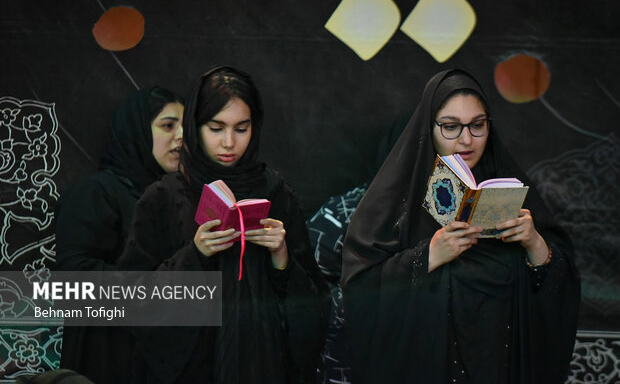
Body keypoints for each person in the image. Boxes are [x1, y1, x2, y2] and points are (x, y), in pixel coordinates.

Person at [341, 69, 580, 384]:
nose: (466, 140)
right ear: (429, 129)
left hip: (501, 367)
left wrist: (535, 245)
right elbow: (360, 290)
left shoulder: (515, 190)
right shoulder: (395, 199)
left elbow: (559, 290)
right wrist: (428, 256)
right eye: (451, 127)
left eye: (478, 126)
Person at [119, 66, 330, 383]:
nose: (229, 142)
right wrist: (195, 255)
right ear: (195, 126)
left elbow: (315, 306)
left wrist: (282, 260)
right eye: (216, 128)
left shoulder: (276, 193)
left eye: (241, 129)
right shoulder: (162, 198)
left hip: (265, 364)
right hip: (193, 370)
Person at [54, 86, 184, 383]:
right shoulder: (96, 193)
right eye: (167, 125)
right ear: (136, 130)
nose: (181, 137)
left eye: (185, 128)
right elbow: (72, 280)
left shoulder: (178, 200)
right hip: (107, 359)